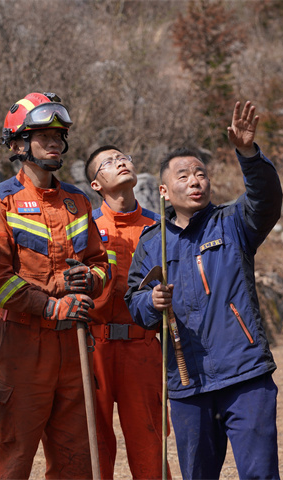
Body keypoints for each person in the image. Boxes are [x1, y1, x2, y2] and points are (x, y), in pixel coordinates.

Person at [125, 101, 283, 480]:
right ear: (164, 190)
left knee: (260, 474)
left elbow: (267, 200)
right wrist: (152, 302)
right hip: (186, 382)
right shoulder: (152, 243)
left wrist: (248, 153)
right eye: (184, 176)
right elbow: (134, 300)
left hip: (244, 375)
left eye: (200, 174)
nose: (195, 181)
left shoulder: (233, 222)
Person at [0, 92, 109, 479]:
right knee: (11, 461)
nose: (53, 143)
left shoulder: (78, 202)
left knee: (76, 461)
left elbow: (101, 265)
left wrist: (90, 280)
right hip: (22, 350)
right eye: (42, 135)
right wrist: (52, 305)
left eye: (58, 135)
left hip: (75, 345)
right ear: (17, 144)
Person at [84, 145, 170, 479]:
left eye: (124, 158)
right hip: (95, 349)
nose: (121, 162)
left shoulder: (160, 226)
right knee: (94, 446)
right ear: (96, 185)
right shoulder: (85, 227)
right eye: (108, 162)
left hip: (144, 348)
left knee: (150, 445)